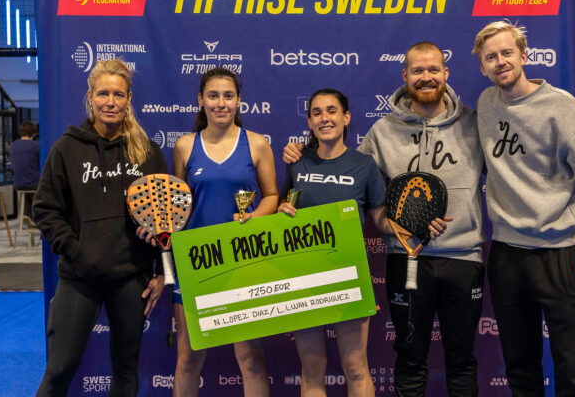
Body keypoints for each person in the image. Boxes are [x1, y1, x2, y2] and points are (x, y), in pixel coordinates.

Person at [285, 42, 485, 397]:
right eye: (417, 71)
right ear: (405, 75)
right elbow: (348, 179)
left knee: (461, 359)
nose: (426, 77)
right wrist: (300, 150)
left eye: (433, 69)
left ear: (446, 73)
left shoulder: (474, 123)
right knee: (408, 357)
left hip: (463, 257)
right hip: (404, 260)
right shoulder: (380, 132)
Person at [472, 20, 575, 397]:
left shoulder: (562, 108)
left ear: (524, 56)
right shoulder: (486, 105)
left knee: (571, 370)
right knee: (520, 368)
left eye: (507, 53)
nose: (500, 62)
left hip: (560, 255)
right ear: (482, 67)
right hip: (506, 256)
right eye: (491, 57)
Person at [33, 59, 168, 396]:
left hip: (131, 277)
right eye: (103, 93)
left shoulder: (147, 152)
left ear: (129, 99)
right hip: (80, 277)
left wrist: (161, 269)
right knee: (59, 370)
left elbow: (164, 217)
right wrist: (76, 249)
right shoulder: (67, 148)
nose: (111, 101)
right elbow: (46, 209)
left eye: (118, 94)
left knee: (125, 369)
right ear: (90, 97)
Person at [280, 88, 421, 397]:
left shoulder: (364, 165)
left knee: (356, 367)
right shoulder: (297, 162)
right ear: (309, 122)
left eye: (332, 111)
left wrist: (410, 227)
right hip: (303, 274)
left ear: (346, 118)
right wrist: (282, 212)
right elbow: (284, 208)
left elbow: (380, 218)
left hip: (349, 273)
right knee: (312, 367)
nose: (324, 118)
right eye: (316, 113)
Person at [165, 67, 278, 397]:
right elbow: (179, 206)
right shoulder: (185, 146)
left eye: (228, 96)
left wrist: (254, 216)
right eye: (213, 96)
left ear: (238, 100)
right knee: (188, 359)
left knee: (251, 359)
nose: (221, 103)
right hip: (195, 264)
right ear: (200, 100)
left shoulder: (256, 144)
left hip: (243, 262)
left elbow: (272, 195)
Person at [9, 121, 40, 223]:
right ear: (34, 133)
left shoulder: (12, 146)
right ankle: (36, 217)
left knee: (27, 192)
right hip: (34, 183)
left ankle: (27, 215)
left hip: (18, 183)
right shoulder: (37, 146)